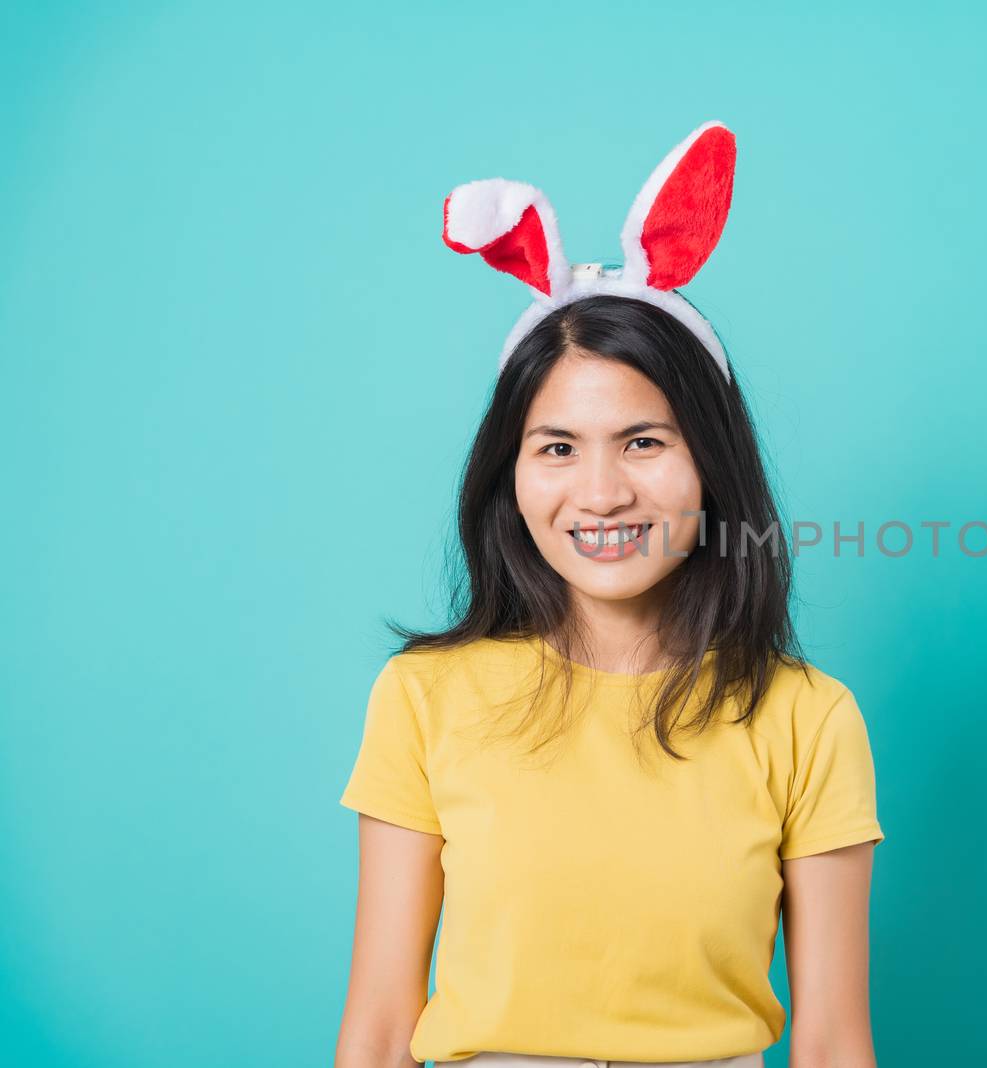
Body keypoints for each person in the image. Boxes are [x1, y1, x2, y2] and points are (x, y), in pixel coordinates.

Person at [333, 123, 885, 1068]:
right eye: (557, 447)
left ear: (711, 462)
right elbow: (381, 1026)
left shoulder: (809, 720)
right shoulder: (425, 699)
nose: (600, 494)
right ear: (509, 475)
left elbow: (833, 1041)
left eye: (643, 441)